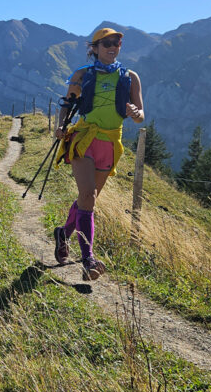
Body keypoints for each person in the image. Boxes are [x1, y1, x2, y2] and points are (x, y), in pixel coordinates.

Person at [52, 28, 144, 280]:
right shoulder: (82, 75)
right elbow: (68, 104)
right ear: (94, 48)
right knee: (88, 196)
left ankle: (63, 233)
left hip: (111, 143)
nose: (113, 46)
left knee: (87, 200)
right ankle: (88, 260)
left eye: (117, 42)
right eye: (107, 43)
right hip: (84, 139)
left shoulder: (131, 77)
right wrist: (60, 126)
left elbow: (140, 115)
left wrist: (136, 113)